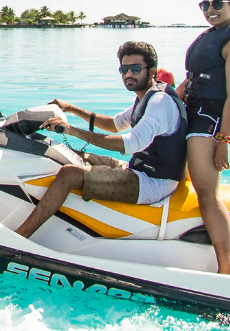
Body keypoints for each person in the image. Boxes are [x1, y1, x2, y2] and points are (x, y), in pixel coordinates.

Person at [12, 41, 186, 239]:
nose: (129, 74)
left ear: (152, 71)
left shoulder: (159, 102)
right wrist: (71, 108)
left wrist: (72, 130)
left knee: (69, 174)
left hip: (154, 183)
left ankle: (20, 237)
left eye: (136, 68)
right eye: (124, 69)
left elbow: (128, 144)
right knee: (67, 154)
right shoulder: (145, 97)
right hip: (140, 170)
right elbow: (115, 124)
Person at [177, 0, 230, 275]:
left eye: (217, 3)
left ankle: (227, 269)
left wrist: (224, 140)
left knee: (207, 194)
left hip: (208, 123)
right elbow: (190, 80)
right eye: (205, 4)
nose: (210, 9)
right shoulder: (208, 36)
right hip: (189, 114)